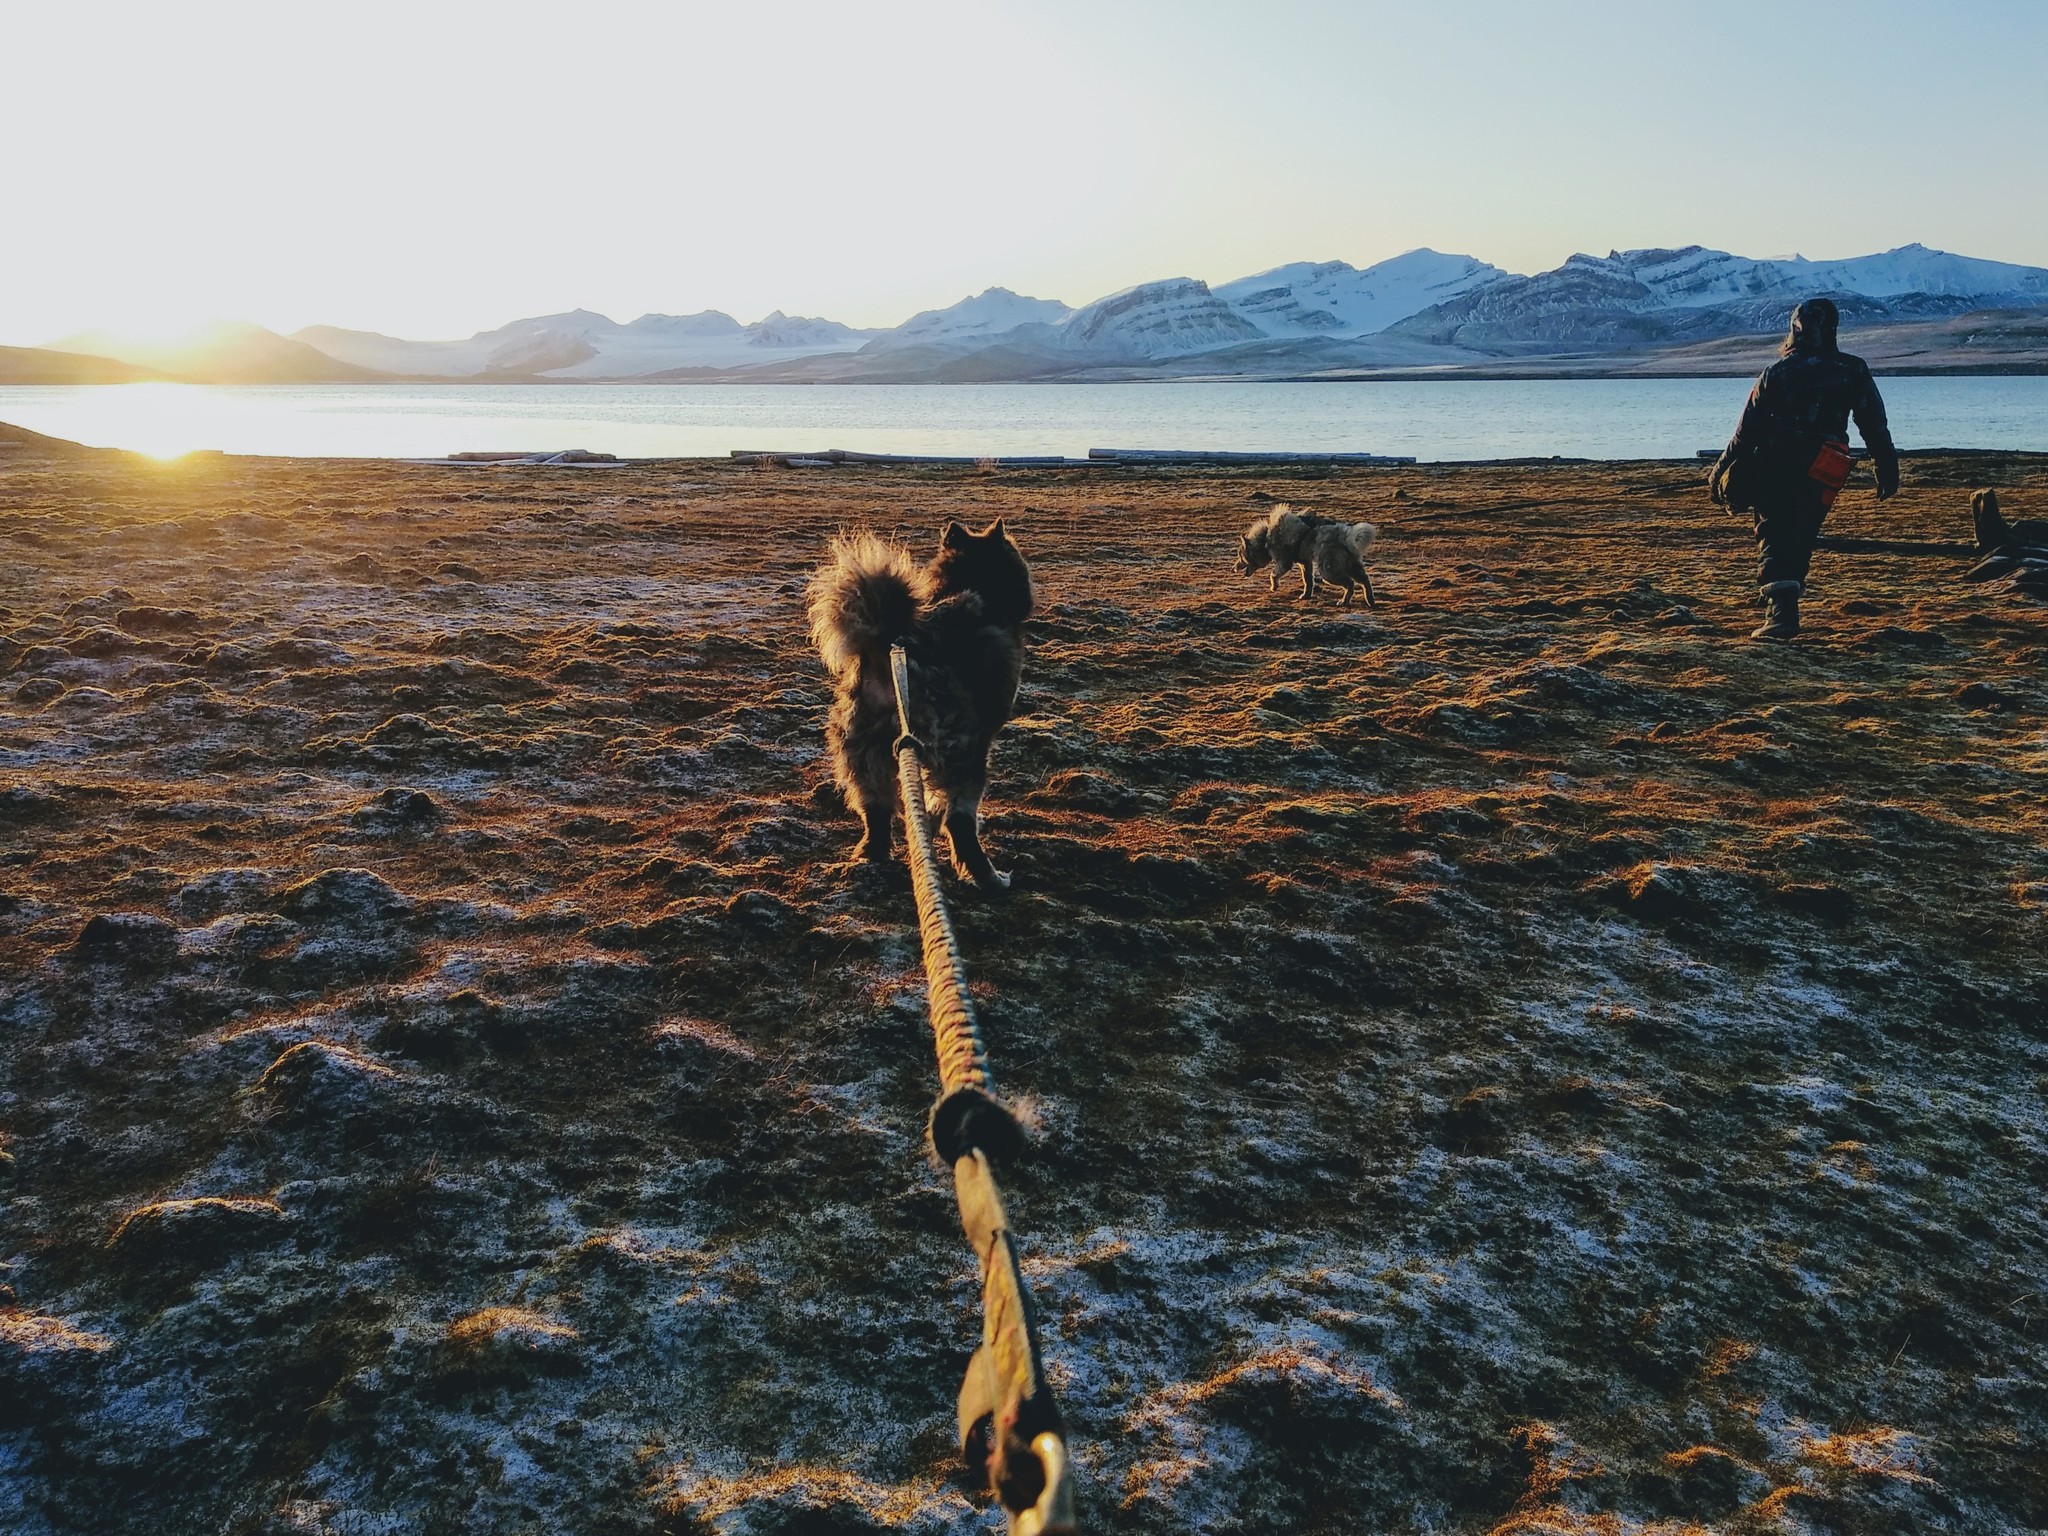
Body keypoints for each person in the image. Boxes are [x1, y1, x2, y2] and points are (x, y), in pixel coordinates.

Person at [1709, 297, 1899, 639]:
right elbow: (1873, 423)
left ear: (1794, 328)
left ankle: (1781, 616)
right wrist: (1886, 465)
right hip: (1826, 463)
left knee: (1774, 534)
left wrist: (1719, 471)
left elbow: (1745, 431)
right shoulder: (1851, 369)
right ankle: (1785, 611)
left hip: (1777, 462)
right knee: (1801, 533)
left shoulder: (1776, 373)